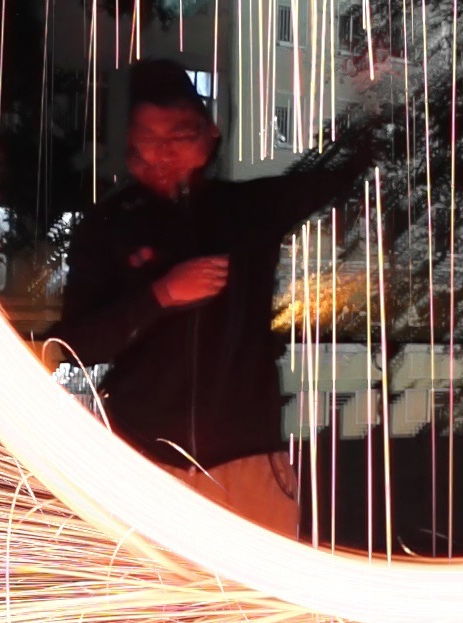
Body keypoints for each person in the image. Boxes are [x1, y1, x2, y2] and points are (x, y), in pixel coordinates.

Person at [50, 60, 385, 539]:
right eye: (150, 138)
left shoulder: (247, 212)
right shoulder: (108, 227)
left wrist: (373, 93)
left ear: (209, 136)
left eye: (179, 136)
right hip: (144, 462)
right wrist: (161, 294)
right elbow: (80, 343)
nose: (164, 153)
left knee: (259, 605)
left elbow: (336, 170)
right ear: (130, 147)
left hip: (246, 463)